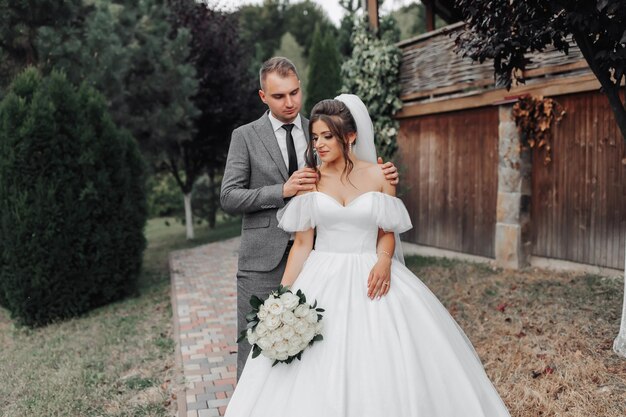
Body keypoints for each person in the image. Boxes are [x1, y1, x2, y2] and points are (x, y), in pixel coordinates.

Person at [224, 95, 512, 417]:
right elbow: (303, 244)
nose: (318, 144)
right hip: (322, 273)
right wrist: (284, 295)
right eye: (315, 137)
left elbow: (386, 231)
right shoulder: (311, 180)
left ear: (350, 136)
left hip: (371, 274)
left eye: (327, 136)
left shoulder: (380, 176)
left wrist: (385, 260)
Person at [220, 57, 399, 380]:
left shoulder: (320, 126)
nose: (290, 103)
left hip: (319, 258)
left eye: (294, 93)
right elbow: (229, 197)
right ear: (263, 97)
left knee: (318, 350)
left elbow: (354, 171)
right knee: (257, 343)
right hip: (264, 258)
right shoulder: (245, 136)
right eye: (279, 96)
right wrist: (281, 190)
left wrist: (381, 175)